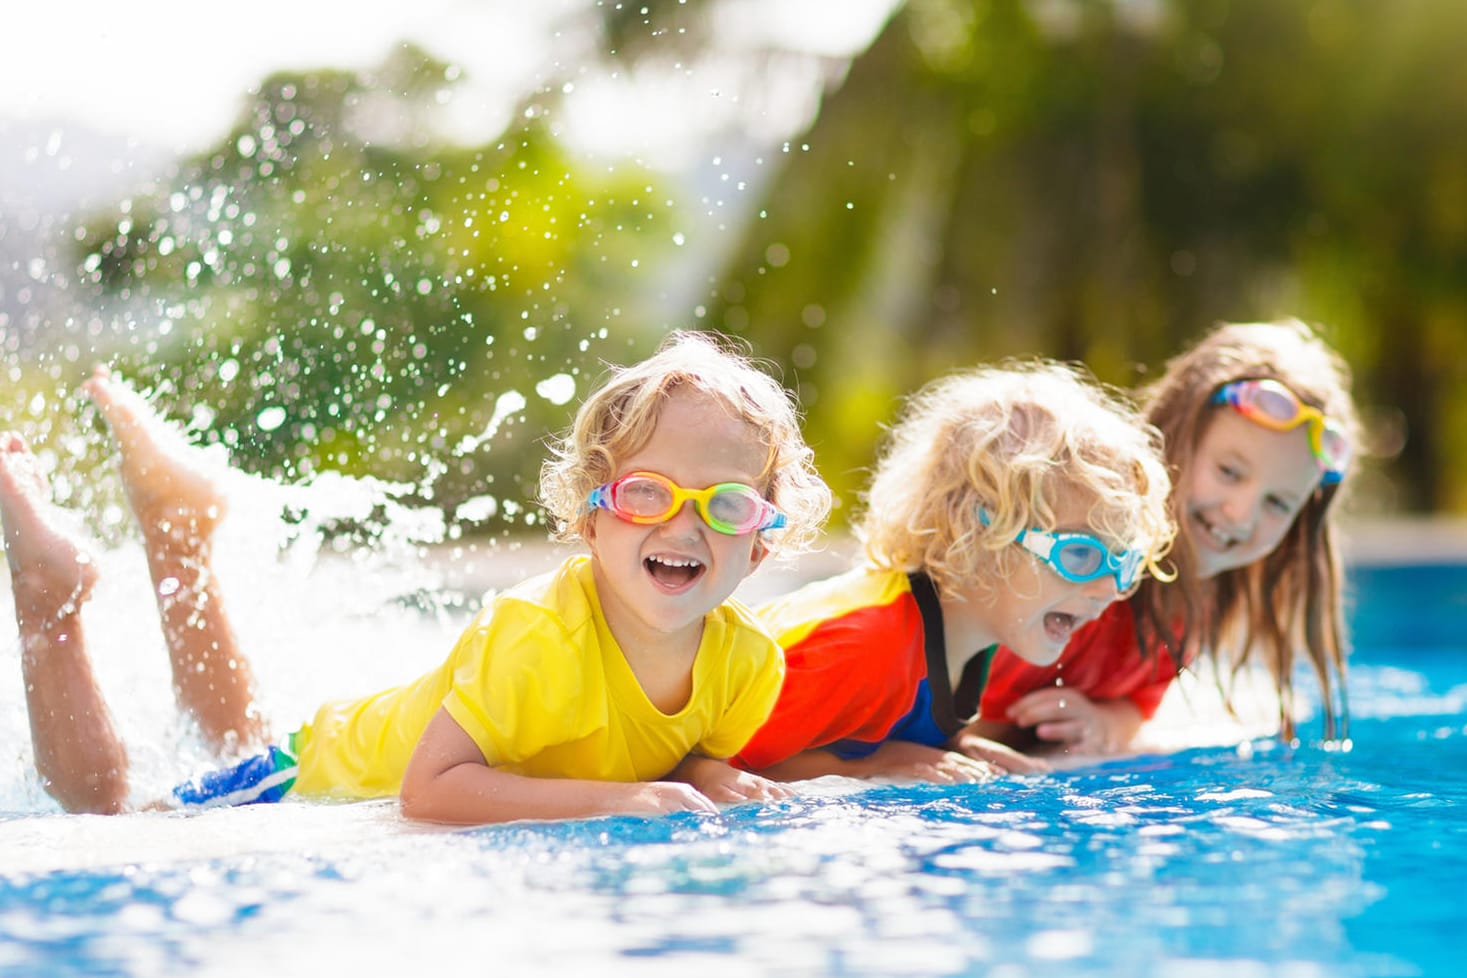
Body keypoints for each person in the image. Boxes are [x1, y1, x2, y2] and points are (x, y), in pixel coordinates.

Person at [0, 330, 832, 822]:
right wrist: (617, 802)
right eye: (648, 493)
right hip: (323, 771)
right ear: (591, 515)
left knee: (229, 733)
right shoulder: (538, 636)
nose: (683, 524)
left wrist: (709, 776)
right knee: (117, 823)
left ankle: (181, 534)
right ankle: (52, 604)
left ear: (762, 539)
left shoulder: (748, 665)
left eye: (725, 506)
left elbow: (672, 759)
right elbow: (428, 794)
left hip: (342, 752)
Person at [731, 361, 1176, 783]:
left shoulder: (968, 639)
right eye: (1081, 555)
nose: (1111, 589)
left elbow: (885, 724)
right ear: (977, 534)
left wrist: (960, 747)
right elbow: (718, 765)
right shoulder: (867, 644)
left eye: (1125, 564)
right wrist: (875, 765)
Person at [971, 319, 1360, 755]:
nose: (1241, 514)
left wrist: (1104, 723)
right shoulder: (1076, 559)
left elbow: (1137, 703)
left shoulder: (1193, 599)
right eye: (1228, 472)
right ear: (1170, 436)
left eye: (1277, 504)